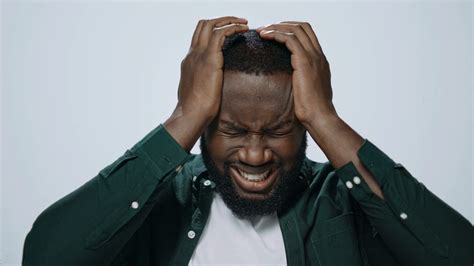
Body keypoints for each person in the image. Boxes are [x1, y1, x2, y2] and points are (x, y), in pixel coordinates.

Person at [23, 16, 472, 266]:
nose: (256, 155)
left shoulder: (344, 204)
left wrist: (326, 117)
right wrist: (184, 116)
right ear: (205, 125)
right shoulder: (159, 205)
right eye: (233, 131)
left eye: (277, 130)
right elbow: (45, 258)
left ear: (304, 127)